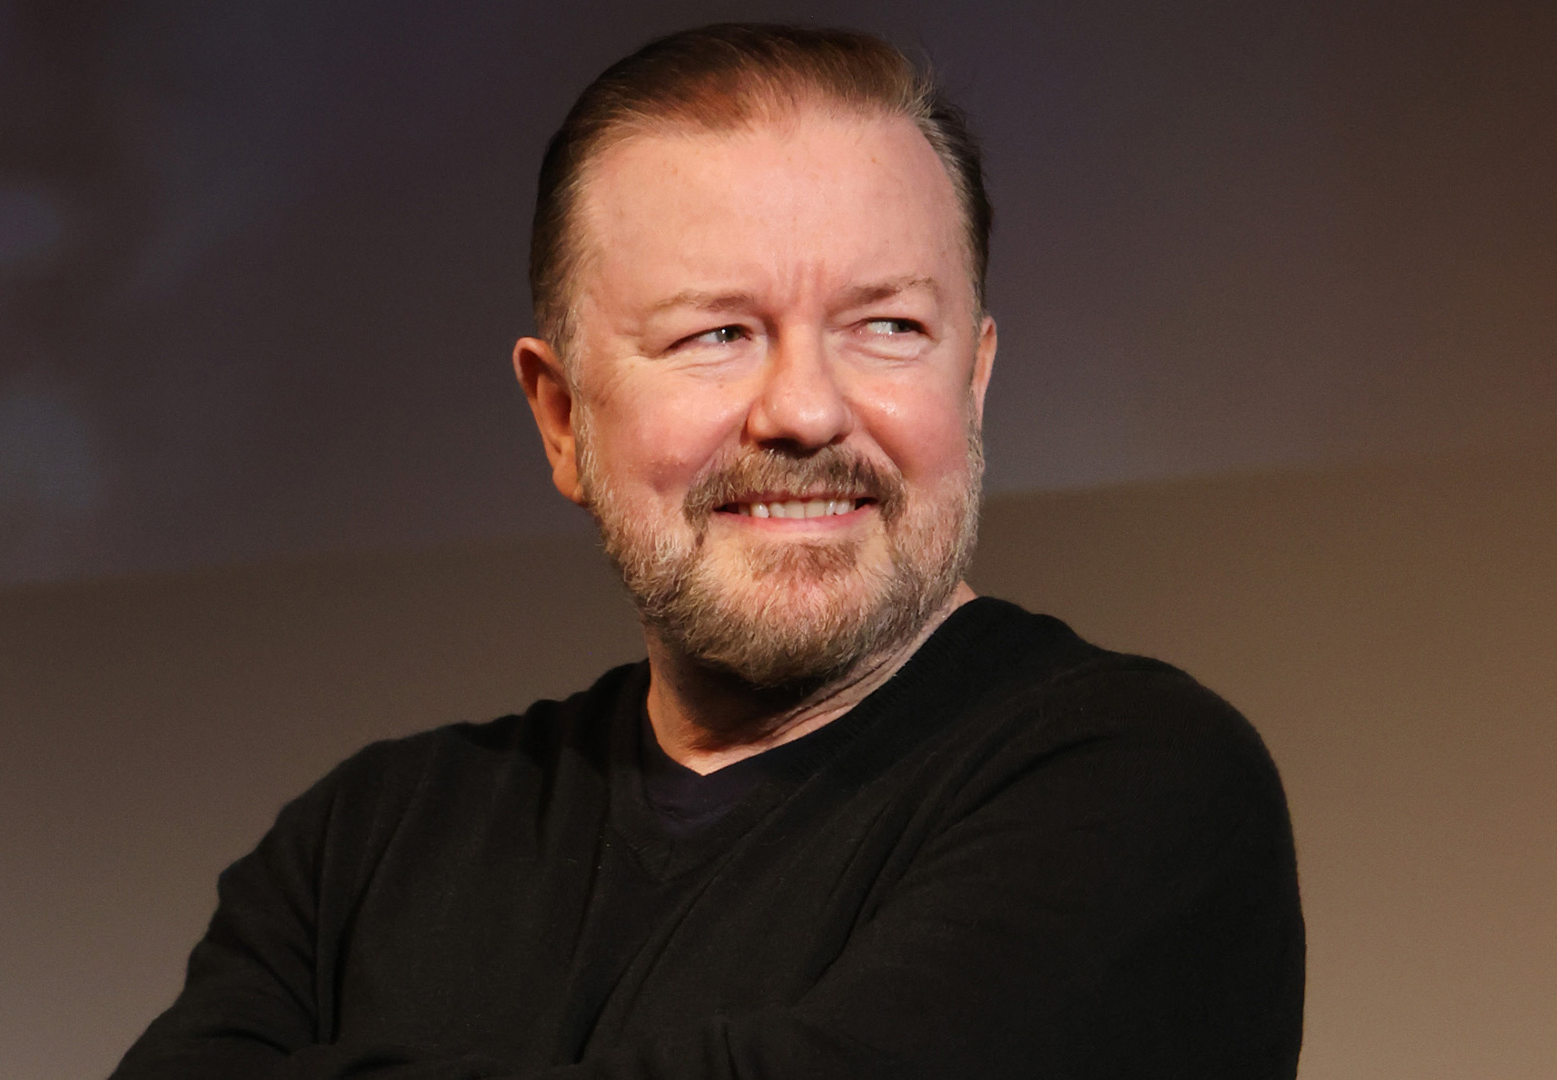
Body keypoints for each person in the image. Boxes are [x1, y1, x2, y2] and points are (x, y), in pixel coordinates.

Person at [112, 23, 1304, 1080]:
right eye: (717, 333)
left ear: (974, 378)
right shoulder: (366, 847)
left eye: (887, 327)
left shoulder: (1140, 789)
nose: (804, 410)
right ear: (563, 417)